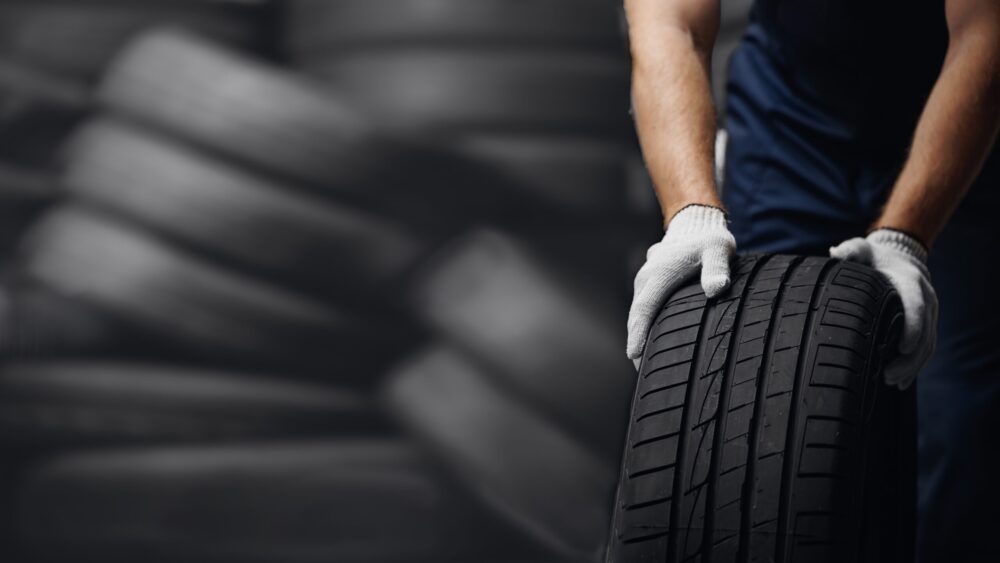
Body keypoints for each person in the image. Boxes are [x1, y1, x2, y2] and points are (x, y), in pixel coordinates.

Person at [623, 0, 1000, 559]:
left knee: (962, 425)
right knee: (751, 406)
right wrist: (690, 212)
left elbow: (984, 36)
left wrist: (906, 236)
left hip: (961, 116)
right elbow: (669, 23)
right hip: (791, 118)